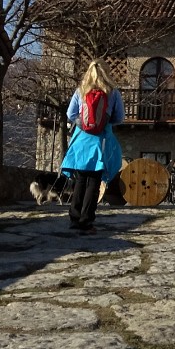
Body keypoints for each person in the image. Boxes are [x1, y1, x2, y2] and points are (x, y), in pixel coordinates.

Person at [61, 61, 125, 233]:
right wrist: (105, 122)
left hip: (82, 141)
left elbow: (70, 114)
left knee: (80, 180)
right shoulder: (113, 93)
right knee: (94, 183)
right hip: (101, 141)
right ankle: (86, 221)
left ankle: (74, 218)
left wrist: (82, 124)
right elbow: (119, 117)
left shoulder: (81, 91)